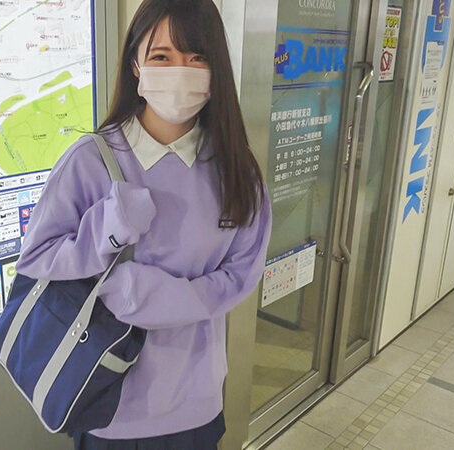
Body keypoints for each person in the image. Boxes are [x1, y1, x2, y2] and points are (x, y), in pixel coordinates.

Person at [14, 0, 271, 448]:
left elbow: (241, 274)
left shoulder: (236, 169)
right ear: (136, 63)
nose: (180, 71)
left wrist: (141, 293)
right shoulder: (91, 161)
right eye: (162, 56)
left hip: (197, 407)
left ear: (216, 69)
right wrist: (106, 228)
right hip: (108, 404)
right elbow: (37, 258)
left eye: (197, 57)